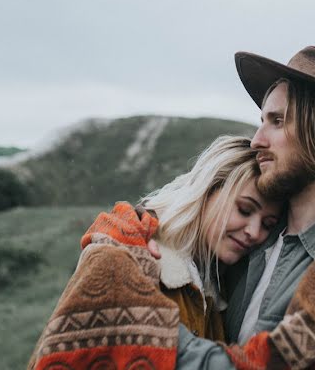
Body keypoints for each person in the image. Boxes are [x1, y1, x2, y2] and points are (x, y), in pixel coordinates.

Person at [32, 46, 315, 370]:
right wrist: (127, 245)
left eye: (276, 121)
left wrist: (136, 314)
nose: (257, 140)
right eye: (261, 121)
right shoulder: (249, 254)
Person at [28, 136, 281, 370]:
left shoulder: (218, 289)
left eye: (268, 224)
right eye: (245, 210)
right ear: (206, 192)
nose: (254, 232)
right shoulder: (130, 259)